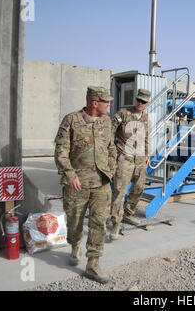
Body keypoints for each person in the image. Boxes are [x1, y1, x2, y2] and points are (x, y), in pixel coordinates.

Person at [54, 86, 116, 284]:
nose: (109, 104)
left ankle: (93, 265)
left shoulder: (107, 121)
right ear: (94, 103)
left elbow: (112, 147)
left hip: (101, 183)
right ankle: (74, 245)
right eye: (106, 101)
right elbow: (61, 151)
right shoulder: (71, 120)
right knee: (75, 223)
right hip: (77, 184)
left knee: (99, 222)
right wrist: (70, 175)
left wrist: (111, 169)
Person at [110, 89, 151, 241]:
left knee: (139, 188)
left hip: (139, 159)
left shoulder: (145, 117)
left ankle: (127, 214)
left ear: (147, 104)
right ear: (135, 99)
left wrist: (147, 154)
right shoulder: (123, 114)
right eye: (138, 100)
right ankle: (115, 224)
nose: (140, 103)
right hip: (124, 158)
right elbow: (110, 132)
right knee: (119, 192)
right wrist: (113, 153)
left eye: (143, 102)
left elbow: (146, 136)